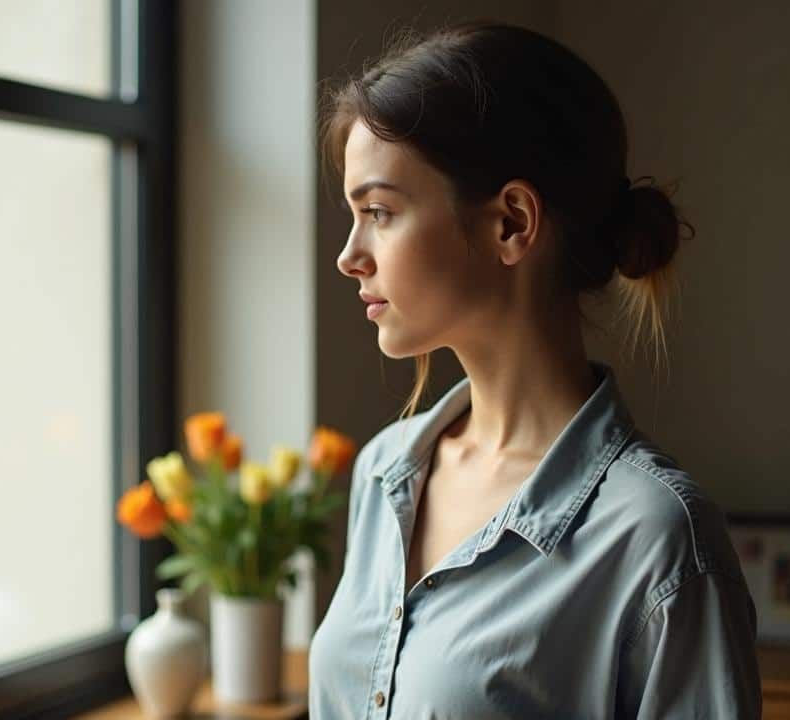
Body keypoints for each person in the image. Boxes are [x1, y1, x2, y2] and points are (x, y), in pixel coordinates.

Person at [306, 20, 762, 720]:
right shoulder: (383, 473)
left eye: (379, 213)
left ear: (512, 223)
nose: (349, 255)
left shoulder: (657, 540)